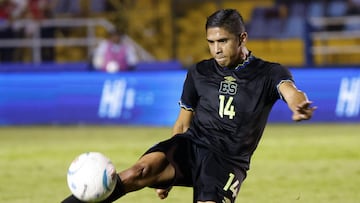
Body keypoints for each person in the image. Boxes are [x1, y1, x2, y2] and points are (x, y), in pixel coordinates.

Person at [62, 8, 316, 203]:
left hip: (227, 162)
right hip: (191, 145)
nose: (216, 49)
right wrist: (169, 165)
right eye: (211, 42)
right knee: (136, 172)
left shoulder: (268, 72)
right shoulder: (199, 72)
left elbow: (290, 91)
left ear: (242, 38)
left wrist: (299, 104)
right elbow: (184, 121)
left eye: (223, 41)